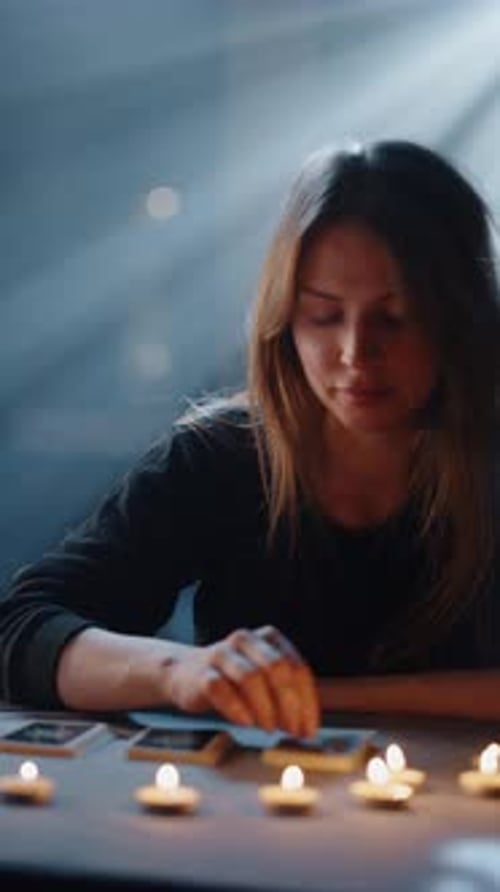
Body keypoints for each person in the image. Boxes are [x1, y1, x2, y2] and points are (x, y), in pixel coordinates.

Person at [1, 139, 499, 735]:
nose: (355, 354)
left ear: (463, 316)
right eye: (323, 315)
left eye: (395, 317)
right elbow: (23, 629)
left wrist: (307, 694)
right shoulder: (221, 458)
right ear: (283, 319)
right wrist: (178, 672)